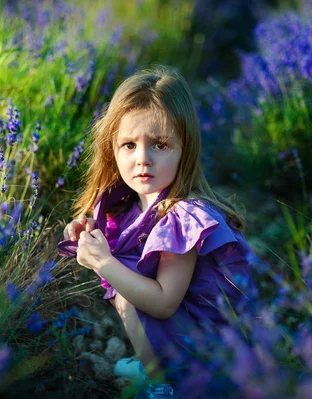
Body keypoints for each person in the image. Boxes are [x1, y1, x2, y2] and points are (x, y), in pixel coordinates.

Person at [57, 65, 254, 398]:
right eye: (129, 145)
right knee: (127, 273)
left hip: (207, 354)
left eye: (160, 145)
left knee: (126, 283)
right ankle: (154, 362)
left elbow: (163, 303)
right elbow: (127, 245)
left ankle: (163, 383)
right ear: (112, 148)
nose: (143, 159)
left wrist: (103, 262)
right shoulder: (132, 202)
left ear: (185, 148)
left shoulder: (184, 215)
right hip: (190, 336)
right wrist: (88, 231)